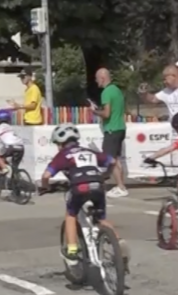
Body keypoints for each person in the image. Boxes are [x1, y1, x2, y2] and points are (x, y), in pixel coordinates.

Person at [41, 123, 128, 265]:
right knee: (100, 218)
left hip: (79, 187)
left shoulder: (63, 155)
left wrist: (45, 187)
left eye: (57, 144)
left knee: (71, 214)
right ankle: (118, 242)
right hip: (98, 185)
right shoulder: (90, 152)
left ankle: (72, 250)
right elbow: (112, 161)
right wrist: (105, 173)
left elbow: (46, 176)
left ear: (62, 144)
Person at [90, 68, 128, 197]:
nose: (96, 82)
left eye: (96, 79)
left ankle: (120, 186)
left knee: (111, 159)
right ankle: (110, 180)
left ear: (102, 78)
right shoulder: (117, 90)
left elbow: (106, 114)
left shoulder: (106, 92)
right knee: (115, 159)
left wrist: (95, 111)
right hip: (120, 127)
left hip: (112, 129)